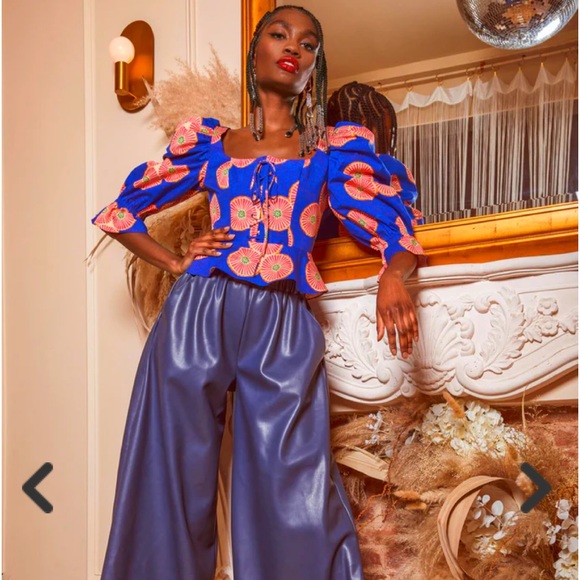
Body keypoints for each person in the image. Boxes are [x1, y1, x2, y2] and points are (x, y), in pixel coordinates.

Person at [92, 5, 424, 579]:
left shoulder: (331, 153)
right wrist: (176, 260)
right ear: (256, 53)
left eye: (308, 43)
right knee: (169, 471)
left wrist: (393, 275)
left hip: (282, 322)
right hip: (198, 313)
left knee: (293, 482)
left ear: (314, 69)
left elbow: (394, 231)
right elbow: (122, 213)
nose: (294, 46)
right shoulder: (209, 143)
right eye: (279, 34)